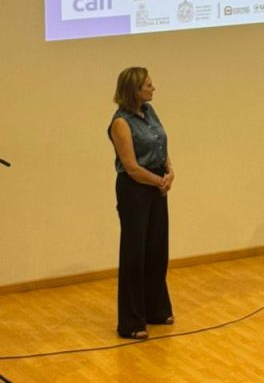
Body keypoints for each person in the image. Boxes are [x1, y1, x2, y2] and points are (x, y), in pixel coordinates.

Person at [109, 67, 174, 339]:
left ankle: (156, 310)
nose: (153, 88)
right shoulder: (120, 123)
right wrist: (158, 181)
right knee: (135, 254)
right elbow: (132, 167)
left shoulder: (150, 112)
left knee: (157, 249)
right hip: (135, 190)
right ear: (133, 91)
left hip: (157, 186)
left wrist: (169, 171)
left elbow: (161, 143)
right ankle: (132, 321)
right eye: (148, 85)